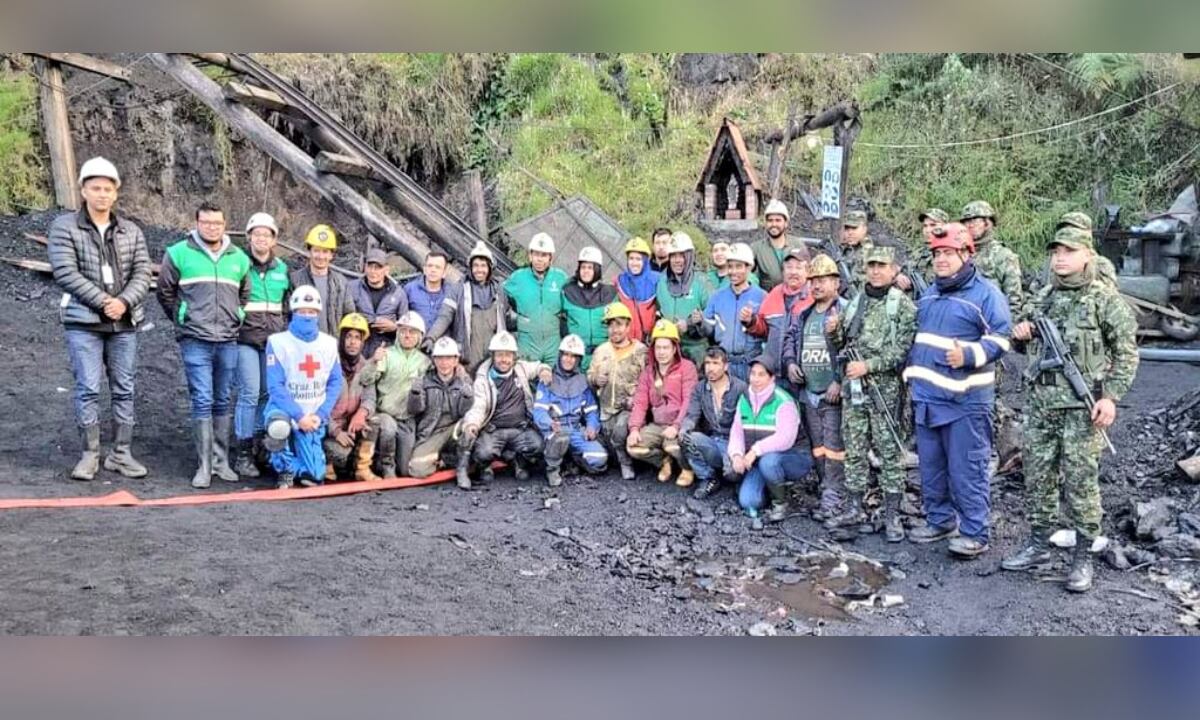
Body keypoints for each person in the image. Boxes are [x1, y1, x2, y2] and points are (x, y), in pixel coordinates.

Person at [1002, 225, 1138, 593]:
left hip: (1081, 408)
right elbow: (1022, 346)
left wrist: (1110, 397)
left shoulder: (1104, 300)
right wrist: (1022, 334)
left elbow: (1127, 354)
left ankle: (1082, 556)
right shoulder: (1043, 297)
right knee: (1038, 477)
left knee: (1081, 483)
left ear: (1087, 255)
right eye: (1056, 251)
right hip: (1041, 405)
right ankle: (1038, 544)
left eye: (1069, 251)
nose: (1060, 258)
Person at [902, 223, 1012, 558]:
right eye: (936, 253)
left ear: (967, 254)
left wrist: (968, 355)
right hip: (927, 400)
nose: (940, 259)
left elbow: (1001, 339)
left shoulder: (986, 295)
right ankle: (940, 521)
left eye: (948, 253)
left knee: (967, 470)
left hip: (965, 403)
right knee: (931, 468)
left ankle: (975, 532)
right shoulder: (930, 294)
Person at [49, 156, 153, 481]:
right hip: (83, 322)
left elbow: (143, 272)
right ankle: (90, 455)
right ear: (83, 190)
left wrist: (124, 302)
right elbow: (65, 271)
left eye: (108, 189)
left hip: (124, 323)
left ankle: (121, 454)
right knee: (88, 388)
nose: (102, 194)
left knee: (124, 388)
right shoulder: (64, 227)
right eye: (95, 188)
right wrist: (104, 301)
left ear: (116, 193)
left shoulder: (131, 231)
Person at [825, 246, 918, 542]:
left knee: (890, 453)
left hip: (885, 392)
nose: (876, 271)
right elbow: (842, 344)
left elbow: (902, 352)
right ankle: (855, 508)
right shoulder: (856, 302)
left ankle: (892, 515)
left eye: (882, 266)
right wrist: (833, 330)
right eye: (872, 266)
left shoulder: (902, 306)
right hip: (854, 390)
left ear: (893, 270)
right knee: (854, 448)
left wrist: (868, 366)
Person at [157, 201, 251, 488]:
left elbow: (244, 294)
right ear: (197, 223)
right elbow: (165, 292)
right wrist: (182, 318)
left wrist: (237, 316)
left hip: (227, 339)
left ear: (225, 225)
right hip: (195, 339)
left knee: (223, 399)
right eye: (206, 222)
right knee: (202, 399)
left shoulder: (239, 258)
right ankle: (204, 466)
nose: (212, 227)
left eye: (217, 223)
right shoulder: (178, 253)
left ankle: (221, 462)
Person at [782, 254, 848, 521]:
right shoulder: (805, 314)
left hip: (832, 395)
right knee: (818, 447)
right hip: (808, 393)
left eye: (823, 280)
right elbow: (790, 339)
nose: (817, 285)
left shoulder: (844, 311)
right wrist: (790, 363)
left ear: (836, 282)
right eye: (814, 280)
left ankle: (835, 498)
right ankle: (826, 489)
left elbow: (852, 348)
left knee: (834, 448)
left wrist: (838, 380)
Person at [262, 286, 342, 488]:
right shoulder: (277, 342)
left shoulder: (329, 344)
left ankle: (289, 461)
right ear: (293, 312)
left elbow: (335, 382)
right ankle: (283, 466)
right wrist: (298, 416)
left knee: (314, 476)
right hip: (284, 409)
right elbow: (275, 386)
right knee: (279, 428)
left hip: (314, 414)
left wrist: (320, 414)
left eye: (312, 312)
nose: (307, 316)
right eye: (302, 311)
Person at [232, 212, 291, 478]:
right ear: (249, 237)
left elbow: (286, 306)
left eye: (267, 235)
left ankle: (260, 447)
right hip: (245, 339)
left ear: (274, 239)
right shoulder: (240, 264)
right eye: (257, 234)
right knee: (249, 393)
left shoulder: (282, 269)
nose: (262, 239)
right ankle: (243, 453)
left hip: (272, 343)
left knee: (267, 394)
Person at [728, 356, 812, 528]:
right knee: (748, 501)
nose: (755, 379)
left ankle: (781, 504)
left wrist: (754, 451)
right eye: (753, 374)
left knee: (769, 462)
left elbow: (785, 439)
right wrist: (736, 455)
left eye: (761, 375)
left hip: (794, 458)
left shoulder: (783, 401)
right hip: (759, 460)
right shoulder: (744, 398)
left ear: (772, 378)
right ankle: (770, 486)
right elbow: (736, 432)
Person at [458, 332, 548, 489]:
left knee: (539, 444)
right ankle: (485, 466)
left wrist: (544, 370)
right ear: (493, 356)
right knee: (483, 452)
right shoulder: (483, 379)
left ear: (514, 357)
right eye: (500, 355)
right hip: (494, 430)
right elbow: (478, 406)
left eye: (508, 355)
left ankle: (518, 460)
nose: (504, 359)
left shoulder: (521, 369)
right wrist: (472, 423)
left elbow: (539, 366)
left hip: (519, 429)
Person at [627, 320, 698, 486]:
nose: (661, 352)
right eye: (658, 347)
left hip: (679, 424)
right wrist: (634, 429)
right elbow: (640, 403)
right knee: (633, 448)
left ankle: (687, 468)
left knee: (674, 446)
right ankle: (664, 461)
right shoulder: (648, 372)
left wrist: (676, 426)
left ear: (674, 348)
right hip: (658, 425)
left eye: (666, 347)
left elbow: (689, 401)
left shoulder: (687, 368)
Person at [535, 334, 608, 487]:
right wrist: (550, 423)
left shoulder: (583, 381)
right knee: (559, 439)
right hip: (554, 430)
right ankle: (552, 470)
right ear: (560, 355)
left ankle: (572, 461)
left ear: (578, 359)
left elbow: (591, 411)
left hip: (575, 430)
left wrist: (591, 427)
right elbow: (539, 412)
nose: (568, 359)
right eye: (566, 355)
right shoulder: (548, 378)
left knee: (599, 458)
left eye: (573, 356)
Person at [587, 303, 648, 480]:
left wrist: (635, 399)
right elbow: (589, 376)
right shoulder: (601, 351)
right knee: (607, 444)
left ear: (628, 326)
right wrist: (595, 379)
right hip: (606, 410)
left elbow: (648, 382)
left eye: (619, 324)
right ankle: (619, 458)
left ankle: (626, 463)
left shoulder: (640, 351)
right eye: (610, 325)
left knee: (621, 431)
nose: (614, 330)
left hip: (630, 408)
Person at [680, 346, 748, 499]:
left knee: (732, 475)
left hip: (734, 443)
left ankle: (736, 476)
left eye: (716, 363)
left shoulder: (740, 388)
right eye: (707, 363)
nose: (710, 368)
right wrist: (684, 428)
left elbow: (748, 423)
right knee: (687, 438)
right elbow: (692, 415)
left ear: (726, 366)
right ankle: (708, 478)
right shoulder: (700, 388)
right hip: (714, 440)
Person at [322, 313, 382, 483]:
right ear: (341, 339)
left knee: (374, 421)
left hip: (351, 424)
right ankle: (326, 464)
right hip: (328, 427)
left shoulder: (365, 365)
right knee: (340, 453)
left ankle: (362, 468)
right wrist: (335, 431)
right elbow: (315, 405)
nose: (352, 342)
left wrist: (361, 413)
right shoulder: (328, 364)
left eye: (357, 337)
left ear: (363, 342)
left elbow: (370, 397)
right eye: (348, 336)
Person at [372, 311, 432, 478]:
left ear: (420, 336)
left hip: (407, 418)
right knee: (389, 430)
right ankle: (386, 465)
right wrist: (373, 362)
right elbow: (368, 379)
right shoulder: (386, 354)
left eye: (412, 332)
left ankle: (391, 463)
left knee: (406, 470)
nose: (407, 335)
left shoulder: (425, 362)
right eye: (403, 330)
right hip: (385, 413)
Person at [746, 245, 812, 396]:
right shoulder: (774, 294)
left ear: (808, 271)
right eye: (789, 267)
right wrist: (751, 322)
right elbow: (764, 330)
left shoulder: (813, 296)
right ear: (783, 271)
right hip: (775, 373)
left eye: (798, 267)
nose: (793, 272)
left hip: (803, 376)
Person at [407, 337, 475, 478]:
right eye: (440, 358)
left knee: (473, 439)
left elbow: (466, 413)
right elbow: (414, 410)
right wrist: (415, 394)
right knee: (417, 469)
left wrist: (468, 398)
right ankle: (442, 460)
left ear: (456, 360)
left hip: (455, 429)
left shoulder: (464, 381)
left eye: (448, 358)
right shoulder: (425, 381)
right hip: (432, 432)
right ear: (434, 360)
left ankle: (451, 461)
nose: (444, 363)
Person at [702, 242, 766, 382]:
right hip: (725, 363)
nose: (733, 271)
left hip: (751, 364)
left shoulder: (762, 297)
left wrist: (752, 321)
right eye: (730, 266)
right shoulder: (717, 296)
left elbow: (767, 332)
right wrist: (700, 322)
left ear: (748, 267)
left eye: (738, 266)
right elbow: (709, 329)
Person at [505, 233, 568, 364]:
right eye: (536, 254)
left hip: (553, 344)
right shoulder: (518, 278)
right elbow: (500, 295)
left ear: (551, 257)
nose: (539, 259)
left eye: (544, 255)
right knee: (526, 373)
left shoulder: (560, 278)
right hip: (527, 343)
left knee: (554, 374)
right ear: (530, 255)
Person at [655, 231, 713, 367]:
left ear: (689, 256)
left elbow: (714, 321)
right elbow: (657, 311)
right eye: (673, 256)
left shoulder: (702, 282)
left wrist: (691, 324)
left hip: (696, 351)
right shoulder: (662, 281)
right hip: (669, 350)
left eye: (681, 255)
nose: (677, 260)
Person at [960, 201, 1025, 320]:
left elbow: (1014, 303)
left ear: (988, 223)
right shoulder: (957, 254)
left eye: (975, 220)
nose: (969, 225)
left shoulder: (1003, 256)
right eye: (966, 221)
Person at [454, 241, 510, 373]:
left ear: (490, 268)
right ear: (470, 268)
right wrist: (431, 337)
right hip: (469, 356)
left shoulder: (499, 291)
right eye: (476, 266)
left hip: (493, 353)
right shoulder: (460, 289)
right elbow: (445, 316)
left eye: (483, 266)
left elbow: (506, 315)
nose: (479, 270)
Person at [289, 224, 354, 336]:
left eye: (325, 252)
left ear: (331, 255)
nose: (320, 256)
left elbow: (349, 315)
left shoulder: (341, 283)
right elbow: (287, 315)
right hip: (301, 341)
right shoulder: (294, 280)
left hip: (332, 343)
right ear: (309, 252)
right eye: (316, 251)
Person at [562, 246, 617, 372]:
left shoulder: (610, 294)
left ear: (597, 270)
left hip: (603, 357)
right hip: (576, 356)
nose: (586, 271)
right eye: (583, 267)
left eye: (590, 267)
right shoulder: (568, 291)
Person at [349, 247, 408, 358]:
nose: (373, 271)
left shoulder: (398, 293)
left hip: (386, 351)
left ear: (386, 269)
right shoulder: (352, 288)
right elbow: (343, 317)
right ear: (364, 267)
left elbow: (407, 326)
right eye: (370, 267)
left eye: (378, 268)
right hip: (357, 349)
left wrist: (394, 327)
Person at [406, 250, 462, 350]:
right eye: (430, 266)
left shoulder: (453, 292)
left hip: (443, 350)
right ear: (424, 269)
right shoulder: (410, 289)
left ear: (444, 273)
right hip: (414, 347)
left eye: (437, 267)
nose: (433, 270)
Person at [751, 199, 807, 291]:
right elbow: (745, 273)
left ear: (786, 223)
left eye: (778, 220)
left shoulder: (797, 244)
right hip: (768, 296)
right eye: (770, 220)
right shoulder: (757, 248)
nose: (774, 224)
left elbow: (807, 273)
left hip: (795, 294)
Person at [615, 237, 660, 343]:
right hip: (625, 342)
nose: (634, 263)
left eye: (638, 259)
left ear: (645, 260)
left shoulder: (657, 281)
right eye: (631, 258)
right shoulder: (619, 281)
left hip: (649, 342)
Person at [838, 210, 878, 292]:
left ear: (864, 229)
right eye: (847, 228)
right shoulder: (847, 250)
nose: (850, 233)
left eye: (854, 228)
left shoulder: (871, 253)